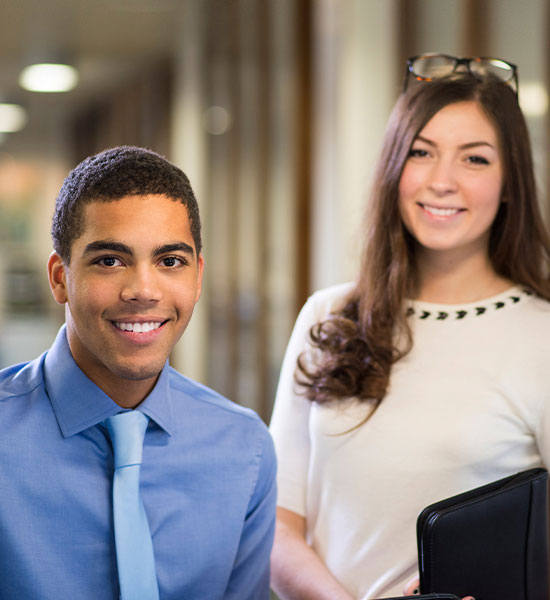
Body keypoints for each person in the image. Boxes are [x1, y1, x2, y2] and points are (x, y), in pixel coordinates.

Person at [269, 54, 550, 600]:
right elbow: (278, 525)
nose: (442, 181)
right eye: (421, 153)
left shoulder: (542, 337)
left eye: (474, 159)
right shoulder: (327, 316)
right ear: (394, 169)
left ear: (511, 181)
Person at [0, 146, 276, 599]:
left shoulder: (244, 450)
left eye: (170, 262)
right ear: (59, 278)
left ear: (198, 277)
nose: (143, 291)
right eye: (109, 260)